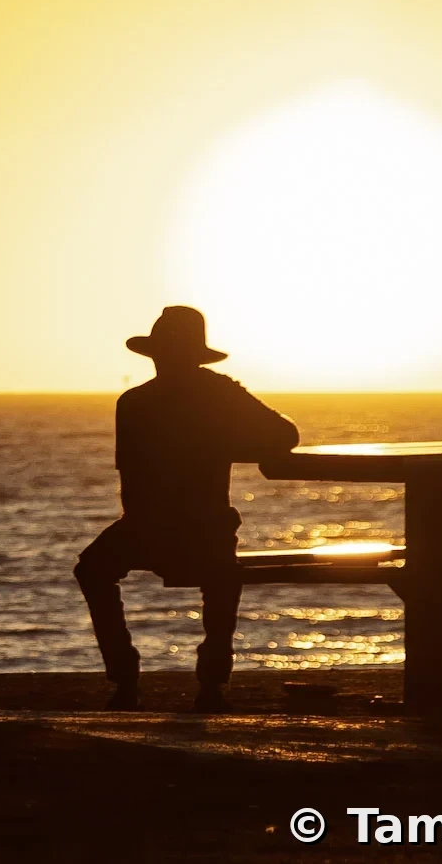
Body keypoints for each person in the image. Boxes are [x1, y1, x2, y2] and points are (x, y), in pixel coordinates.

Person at [74, 305, 299, 712]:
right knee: (221, 577)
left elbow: (131, 482)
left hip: (155, 526)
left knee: (92, 569)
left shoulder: (135, 401)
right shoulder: (217, 393)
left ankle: (127, 680)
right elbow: (285, 435)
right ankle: (209, 686)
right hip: (201, 527)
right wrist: (223, 444)